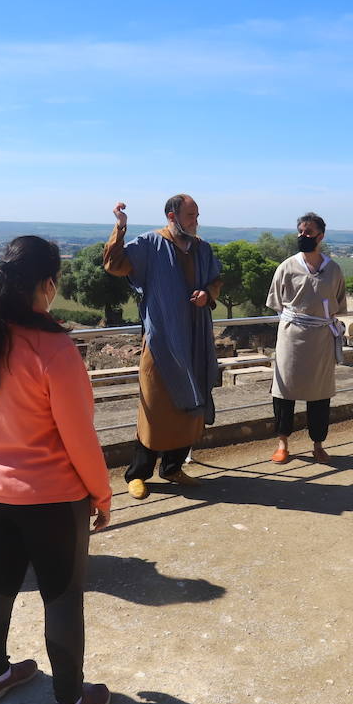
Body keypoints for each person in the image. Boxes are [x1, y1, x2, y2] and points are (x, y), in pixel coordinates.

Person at [0, 235, 114, 704]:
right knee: (62, 596)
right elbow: (78, 434)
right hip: (51, 497)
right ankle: (70, 702)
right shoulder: (53, 347)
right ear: (47, 284)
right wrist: (101, 494)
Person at [103, 196, 222, 499]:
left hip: (194, 339)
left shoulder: (202, 248)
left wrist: (207, 295)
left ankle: (172, 468)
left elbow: (216, 281)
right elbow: (114, 265)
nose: (196, 220)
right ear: (173, 216)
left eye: (197, 214)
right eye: (191, 215)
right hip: (161, 342)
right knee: (154, 408)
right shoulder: (149, 244)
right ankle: (137, 474)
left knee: (190, 406)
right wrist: (121, 227)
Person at [265, 212, 348, 464]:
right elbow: (276, 302)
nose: (303, 236)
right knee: (284, 390)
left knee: (320, 394)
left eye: (309, 232)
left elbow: (338, 304)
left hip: (321, 339)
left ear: (320, 236)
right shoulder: (287, 267)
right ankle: (282, 444)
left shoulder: (333, 269)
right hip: (291, 336)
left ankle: (318, 445)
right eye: (301, 231)